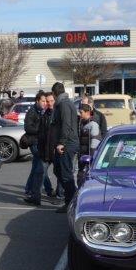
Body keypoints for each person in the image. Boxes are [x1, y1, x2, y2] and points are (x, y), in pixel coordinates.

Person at [50, 82, 80, 212]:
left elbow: (66, 125)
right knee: (58, 170)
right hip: (64, 143)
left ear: (54, 94)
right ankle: (70, 201)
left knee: (66, 173)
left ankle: (72, 204)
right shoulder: (63, 104)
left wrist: (61, 142)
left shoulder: (64, 104)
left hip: (67, 144)